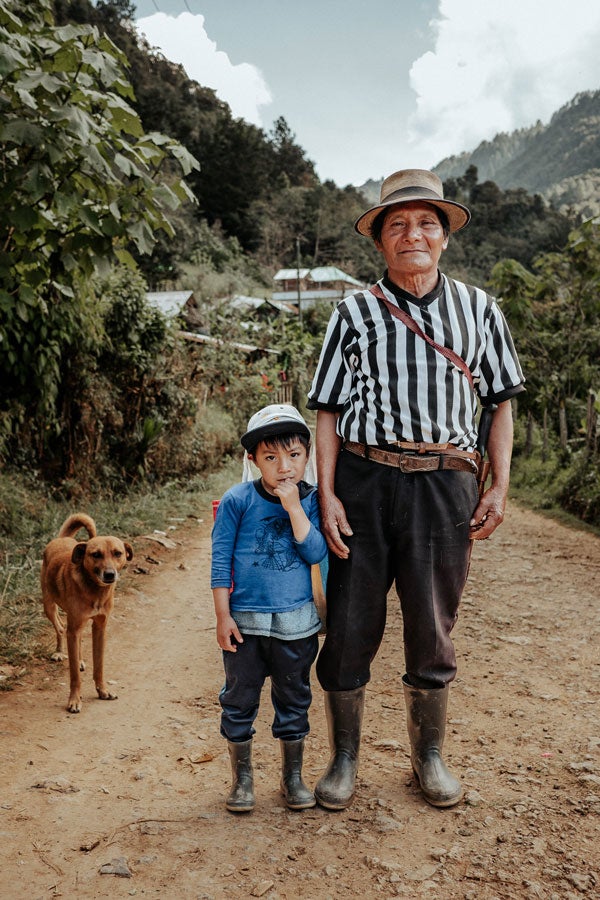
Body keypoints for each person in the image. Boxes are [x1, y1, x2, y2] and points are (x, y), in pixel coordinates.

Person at [306, 169, 525, 810]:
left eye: (427, 222)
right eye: (397, 224)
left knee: (432, 622)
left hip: (446, 483)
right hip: (365, 478)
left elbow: (501, 404)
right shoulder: (352, 313)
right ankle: (343, 757)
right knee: (350, 619)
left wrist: (499, 486)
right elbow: (327, 411)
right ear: (379, 240)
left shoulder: (481, 311)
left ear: (444, 236)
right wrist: (327, 494)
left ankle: (429, 756)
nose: (413, 234)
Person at [211, 404, 327, 813]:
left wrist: (294, 507)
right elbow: (220, 561)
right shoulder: (237, 500)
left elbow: (315, 552)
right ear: (253, 460)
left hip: (296, 625)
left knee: (294, 698)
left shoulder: (312, 501)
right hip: (244, 625)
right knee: (239, 699)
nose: (284, 467)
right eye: (271, 457)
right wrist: (222, 616)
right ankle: (242, 780)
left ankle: (292, 777)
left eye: (294, 455)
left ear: (307, 456)